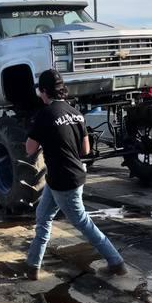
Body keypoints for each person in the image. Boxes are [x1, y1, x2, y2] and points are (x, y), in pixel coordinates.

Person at [25, 69, 127, 280]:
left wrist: (47, 140)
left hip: (64, 180)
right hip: (66, 176)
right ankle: (32, 266)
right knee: (43, 217)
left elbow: (29, 149)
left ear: (43, 91)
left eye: (40, 91)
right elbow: (85, 150)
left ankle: (116, 262)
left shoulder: (44, 115)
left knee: (82, 222)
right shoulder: (75, 113)